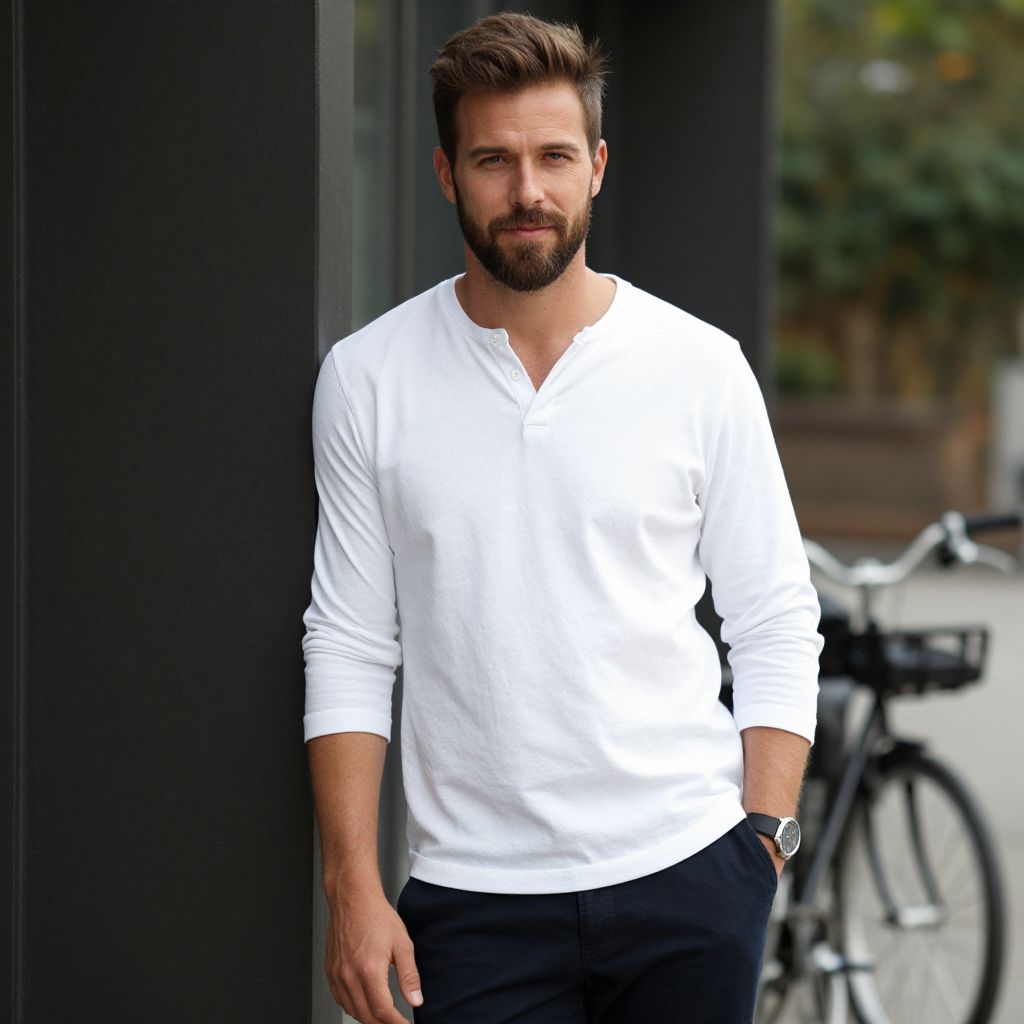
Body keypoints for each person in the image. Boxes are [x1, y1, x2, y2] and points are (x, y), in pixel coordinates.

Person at [302, 12, 823, 1023]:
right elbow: (353, 640)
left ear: (596, 165)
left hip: (688, 876)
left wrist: (763, 835)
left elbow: (773, 616)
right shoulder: (368, 377)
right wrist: (353, 887)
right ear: (448, 174)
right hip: (472, 899)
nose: (526, 190)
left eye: (551, 156)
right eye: (493, 160)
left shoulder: (698, 367)